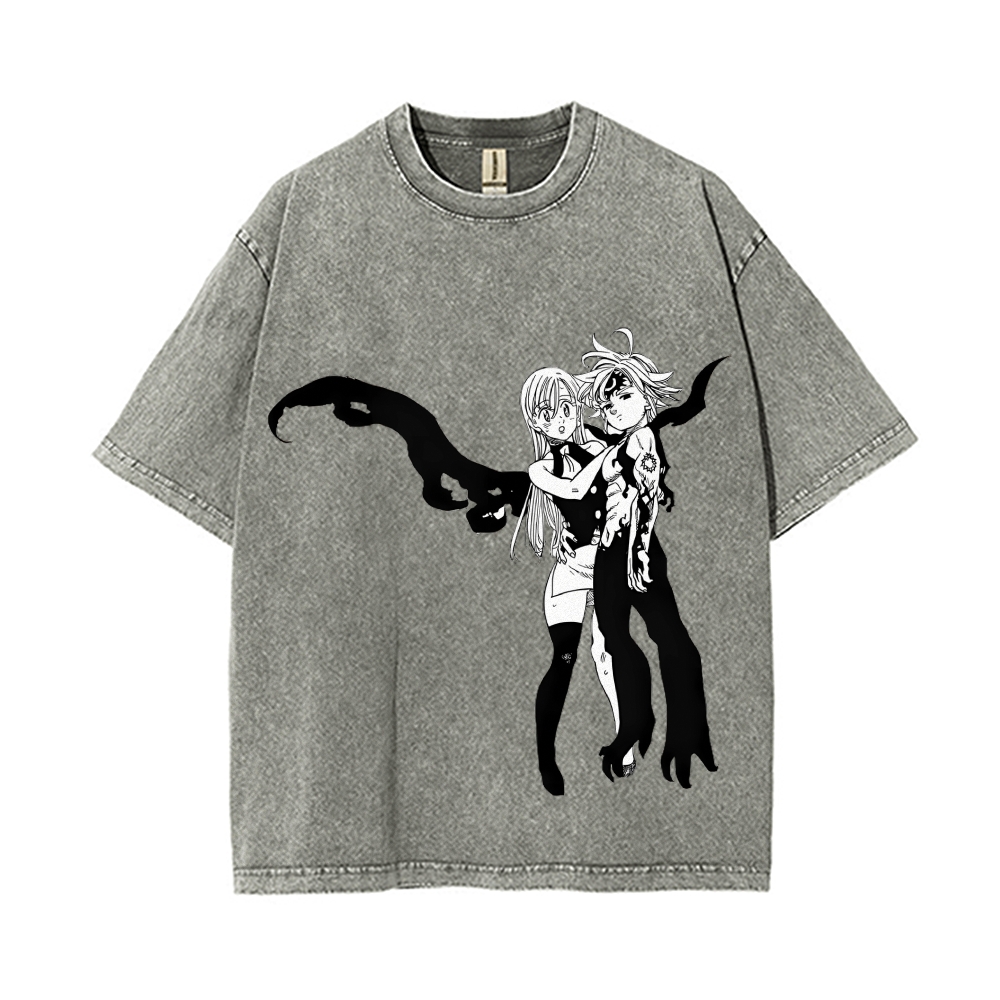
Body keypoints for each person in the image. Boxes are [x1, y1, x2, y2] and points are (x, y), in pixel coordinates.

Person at [575, 330, 718, 787]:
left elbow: (644, 502)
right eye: (608, 403)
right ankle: (643, 728)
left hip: (630, 552)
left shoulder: (639, 441)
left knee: (655, 637)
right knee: (619, 640)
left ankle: (664, 731)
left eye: (625, 396)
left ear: (645, 397)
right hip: (612, 554)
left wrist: (636, 552)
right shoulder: (622, 444)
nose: (615, 408)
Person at [510, 367, 637, 795]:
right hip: (570, 570)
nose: (560, 419)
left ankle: (624, 740)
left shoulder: (600, 444)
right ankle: (546, 756)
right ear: (536, 421)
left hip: (605, 565)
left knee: (607, 652)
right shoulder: (541, 468)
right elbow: (576, 490)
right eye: (548, 414)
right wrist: (609, 454)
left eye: (566, 408)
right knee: (564, 658)